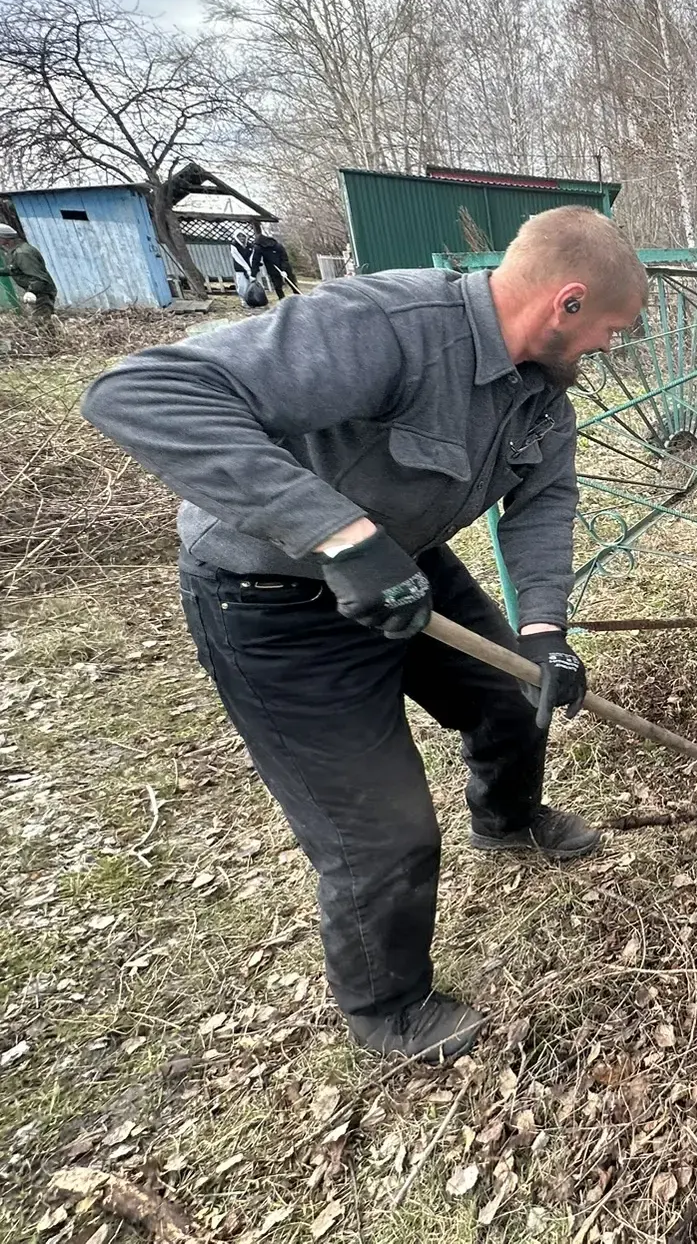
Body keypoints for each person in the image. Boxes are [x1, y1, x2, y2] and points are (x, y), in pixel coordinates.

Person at [82, 207, 649, 1064]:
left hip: (403, 565)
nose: (609, 345)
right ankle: (387, 1008)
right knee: (383, 831)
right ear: (567, 303)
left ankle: (507, 820)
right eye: (611, 328)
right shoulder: (387, 326)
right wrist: (336, 535)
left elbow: (544, 504)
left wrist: (542, 632)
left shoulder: (542, 391)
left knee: (511, 698)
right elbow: (140, 392)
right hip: (274, 599)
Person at [1, 222, 58, 347]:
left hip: (40, 292)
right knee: (41, 321)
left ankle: (52, 348)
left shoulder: (22, 253)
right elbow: (15, 270)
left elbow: (38, 277)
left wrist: (32, 291)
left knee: (41, 322)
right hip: (38, 291)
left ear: (5, 238)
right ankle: (52, 345)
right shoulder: (16, 251)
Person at [244, 225, 299, 299]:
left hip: (284, 266)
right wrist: (253, 275)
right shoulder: (259, 248)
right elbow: (255, 261)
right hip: (272, 268)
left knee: (291, 282)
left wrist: (284, 269)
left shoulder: (278, 246)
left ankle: (298, 295)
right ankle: (281, 299)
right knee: (277, 286)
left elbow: (284, 259)